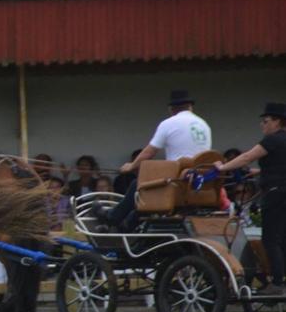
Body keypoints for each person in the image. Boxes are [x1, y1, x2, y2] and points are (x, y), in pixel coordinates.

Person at [104, 90, 212, 231]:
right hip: (200, 184)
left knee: (140, 183)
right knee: (149, 190)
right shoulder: (204, 125)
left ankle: (113, 217)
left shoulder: (169, 123)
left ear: (171, 109)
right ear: (190, 106)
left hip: (178, 184)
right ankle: (130, 225)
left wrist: (131, 166)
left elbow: (150, 151)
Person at [214, 102, 286, 295]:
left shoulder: (272, 140)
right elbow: (279, 166)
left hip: (275, 193)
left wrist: (223, 168)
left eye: (266, 121)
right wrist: (256, 172)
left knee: (271, 238)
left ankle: (278, 283)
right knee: (283, 237)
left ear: (277, 122)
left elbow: (247, 157)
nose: (262, 125)